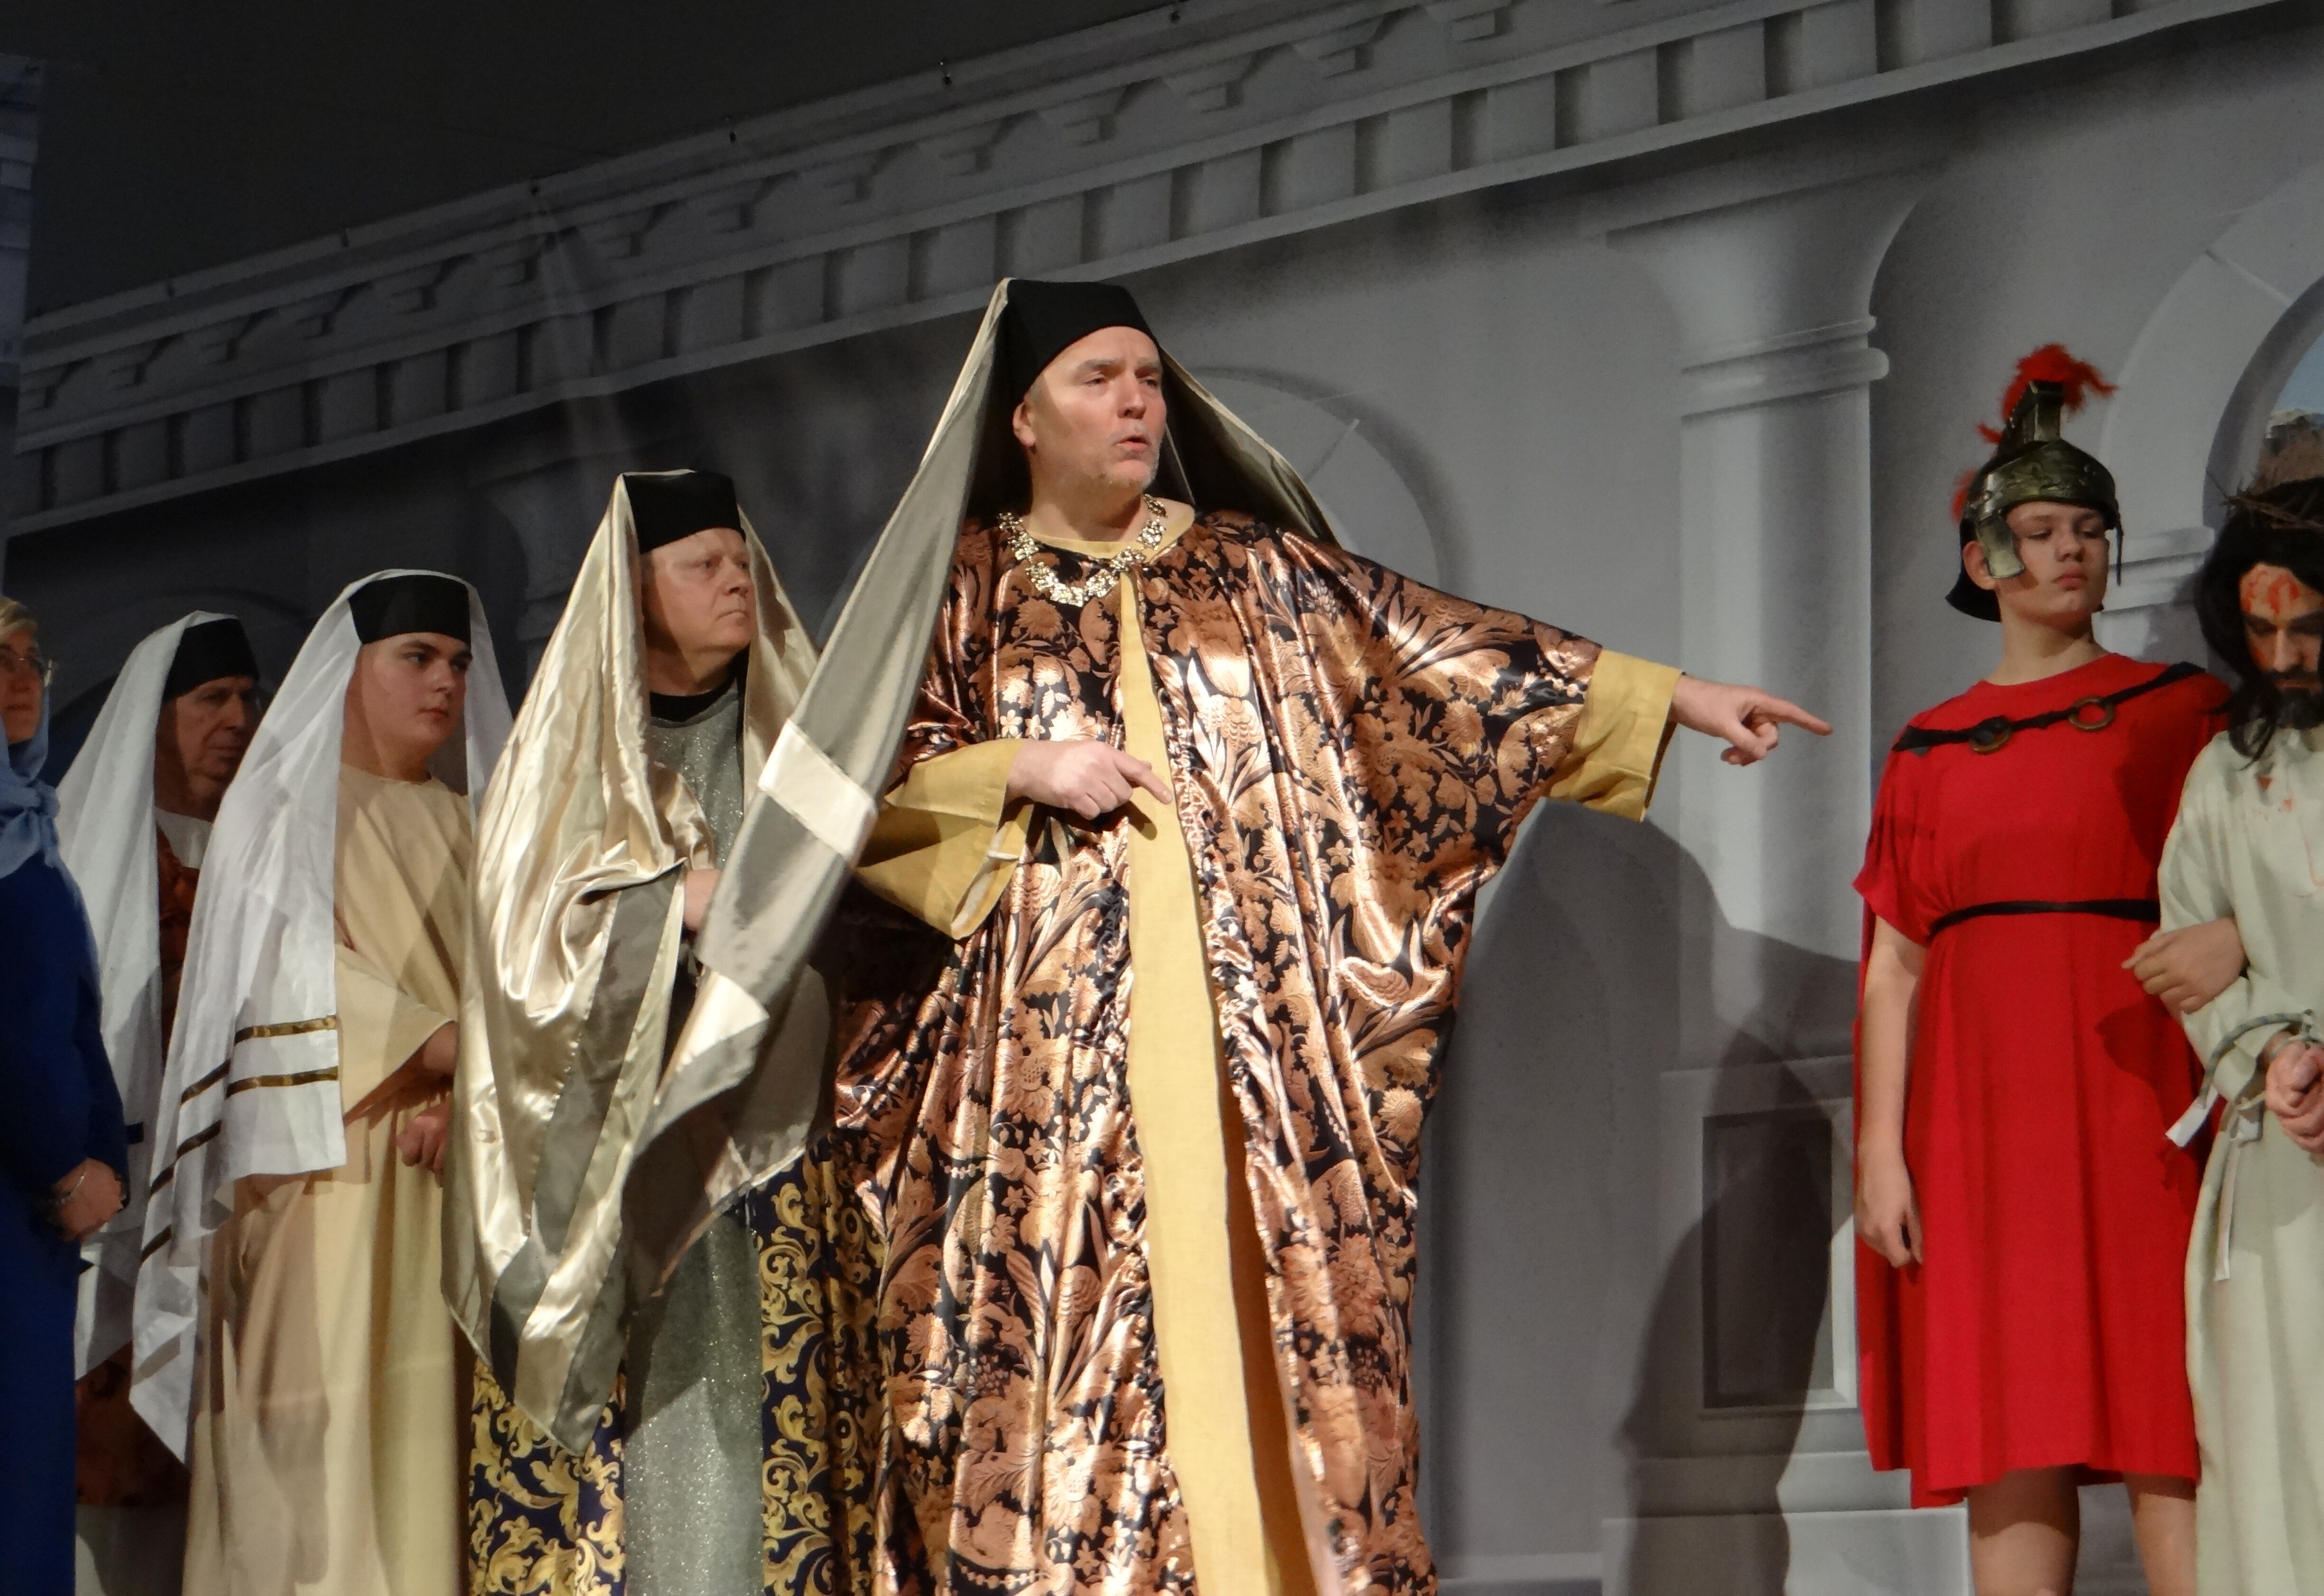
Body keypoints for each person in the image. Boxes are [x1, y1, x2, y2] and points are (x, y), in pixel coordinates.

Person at [688, 277, 1827, 1594]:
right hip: (1048, 1068)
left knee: (1266, 1303)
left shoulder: (1252, 570)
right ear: (1023, 420)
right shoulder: (964, 589)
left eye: (1147, 379)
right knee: (1075, 1328)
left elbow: (1439, 660)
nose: (1135, 403)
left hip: (1249, 1041)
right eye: (1098, 380)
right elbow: (855, 795)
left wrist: (1671, 698)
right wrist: (1017, 768)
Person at [1854, 347, 2225, 1596]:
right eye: (2044, 531)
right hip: (1978, 1118)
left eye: (2091, 530)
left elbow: (2249, 881)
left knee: (2173, 1409)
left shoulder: (2179, 710)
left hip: (2140, 1090)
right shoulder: (1930, 749)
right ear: (1985, 561)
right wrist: (1881, 1153)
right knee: (2010, 1412)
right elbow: (1895, 967)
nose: (2075, 551)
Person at [451, 470, 817, 1596]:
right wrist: (670, 904)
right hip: (628, 1165)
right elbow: (522, 952)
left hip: (789, 1150)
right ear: (635, 590)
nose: (735, 580)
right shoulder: (568, 765)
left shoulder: (797, 742)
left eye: (741, 559)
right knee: (661, 1438)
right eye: (701, 564)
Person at [133, 571, 511, 1595]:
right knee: (325, 1470)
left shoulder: (479, 824)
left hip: (455, 1166)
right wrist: (452, 1051)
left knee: (433, 1465)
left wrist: (469, 1090)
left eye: (458, 662)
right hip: (327, 1172)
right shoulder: (281, 816)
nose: (445, 682)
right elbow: (285, 981)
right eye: (416, 657)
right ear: (348, 670)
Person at [2127, 412, 2324, 1595]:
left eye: (2309, 626)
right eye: (2260, 629)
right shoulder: (2229, 771)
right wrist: (2269, 1057)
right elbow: (2184, 953)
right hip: (2282, 1158)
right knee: (2277, 1427)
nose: (2284, 655)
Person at [59, 610, 261, 1508]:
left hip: (239, 1200)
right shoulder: (91, 858)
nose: (237, 720)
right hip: (122, 1194)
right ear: (155, 715)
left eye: (247, 698)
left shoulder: (270, 855)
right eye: (211, 698)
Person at [0, 595, 130, 1594]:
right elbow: (17, 1029)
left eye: (28, 660)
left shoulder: (27, 831)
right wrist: (65, 1164)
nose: (19, 681)